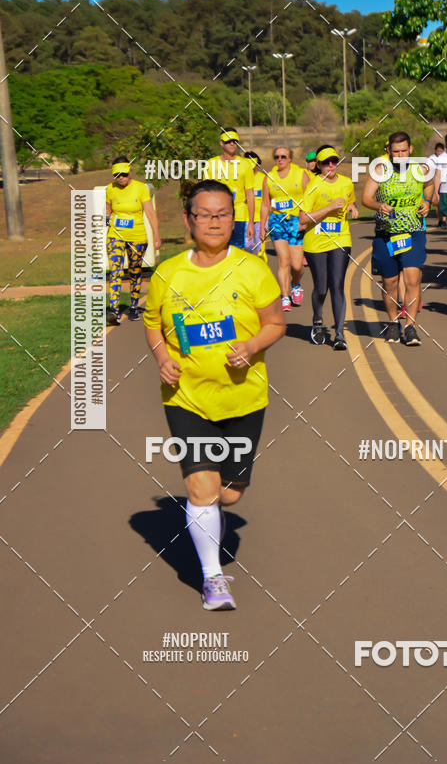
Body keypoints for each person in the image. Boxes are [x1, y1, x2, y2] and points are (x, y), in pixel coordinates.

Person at [143, 180, 285, 611]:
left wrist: (252, 346)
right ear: (188, 220)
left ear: (233, 219)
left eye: (222, 214)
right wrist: (162, 357)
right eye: (203, 214)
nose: (213, 222)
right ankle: (213, 579)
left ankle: (214, 509)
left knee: (229, 494)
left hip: (244, 400)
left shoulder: (253, 269)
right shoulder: (167, 273)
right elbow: (152, 324)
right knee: (203, 490)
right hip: (186, 397)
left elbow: (275, 323)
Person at [362, 131, 433, 346]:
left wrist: (427, 201)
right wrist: (378, 206)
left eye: (404, 151)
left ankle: (410, 326)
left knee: (413, 278)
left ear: (410, 150)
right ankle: (393, 322)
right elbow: (365, 198)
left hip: (413, 232)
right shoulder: (380, 170)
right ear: (389, 152)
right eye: (396, 152)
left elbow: (429, 184)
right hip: (386, 234)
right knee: (389, 282)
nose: (400, 155)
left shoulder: (420, 169)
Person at [299, 144, 358, 350]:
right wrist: (329, 207)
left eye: (334, 161)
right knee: (322, 287)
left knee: (337, 284)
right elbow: (303, 218)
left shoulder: (347, 183)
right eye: (326, 163)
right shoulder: (314, 186)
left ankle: (340, 335)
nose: (331, 165)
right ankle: (317, 319)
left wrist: (352, 207)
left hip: (340, 238)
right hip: (315, 240)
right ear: (319, 166)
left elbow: (351, 202)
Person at [105, 157, 161, 325]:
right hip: (115, 235)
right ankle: (113, 310)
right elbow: (108, 209)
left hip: (137, 236)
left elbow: (150, 213)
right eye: (117, 175)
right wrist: (106, 218)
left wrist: (156, 234)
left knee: (135, 271)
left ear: (129, 172)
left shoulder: (140, 188)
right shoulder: (110, 189)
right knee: (115, 271)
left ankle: (134, 307)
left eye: (123, 174)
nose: (121, 178)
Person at [260, 146, 310, 311]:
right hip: (277, 221)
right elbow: (265, 204)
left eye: (283, 156)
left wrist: (305, 219)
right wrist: (262, 226)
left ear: (290, 159)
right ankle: (285, 297)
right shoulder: (269, 178)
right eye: (276, 157)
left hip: (296, 220)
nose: (279, 159)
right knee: (283, 260)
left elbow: (310, 198)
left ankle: (296, 284)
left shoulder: (300, 174)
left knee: (296, 265)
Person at [204, 129, 255, 250]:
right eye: (228, 141)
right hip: (216, 216)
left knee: (236, 252)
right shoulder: (211, 164)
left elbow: (250, 196)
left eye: (235, 141)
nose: (232, 144)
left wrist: (251, 223)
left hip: (239, 216)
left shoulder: (245, 164)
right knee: (218, 250)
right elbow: (205, 194)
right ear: (221, 143)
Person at [244, 150, 267, 259]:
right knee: (247, 247)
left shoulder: (263, 178)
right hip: (245, 218)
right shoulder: (241, 178)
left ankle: (261, 270)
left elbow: (267, 200)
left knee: (260, 249)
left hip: (260, 219)